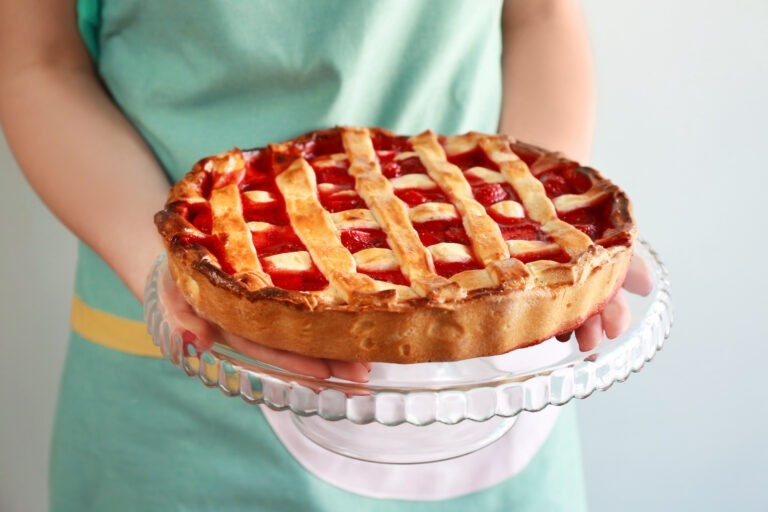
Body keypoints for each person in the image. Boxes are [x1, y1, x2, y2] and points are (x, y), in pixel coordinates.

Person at [0, 1, 652, 510]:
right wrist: (177, 271)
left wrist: (542, 235)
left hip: (485, 370)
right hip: (179, 377)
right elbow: (38, 61)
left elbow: (539, 13)